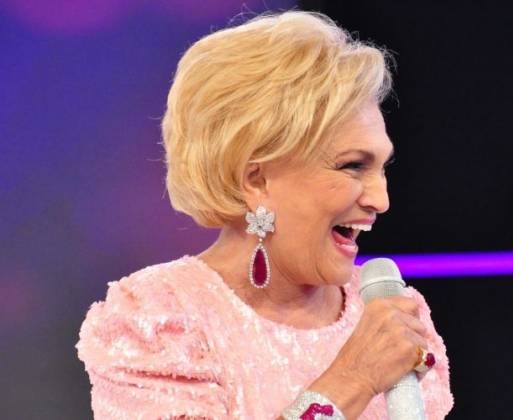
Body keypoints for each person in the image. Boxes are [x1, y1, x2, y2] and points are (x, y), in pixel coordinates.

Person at [76, 10, 454, 420]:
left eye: (382, 167)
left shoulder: (393, 316)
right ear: (257, 180)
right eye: (352, 166)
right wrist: (354, 379)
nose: (381, 200)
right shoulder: (157, 319)